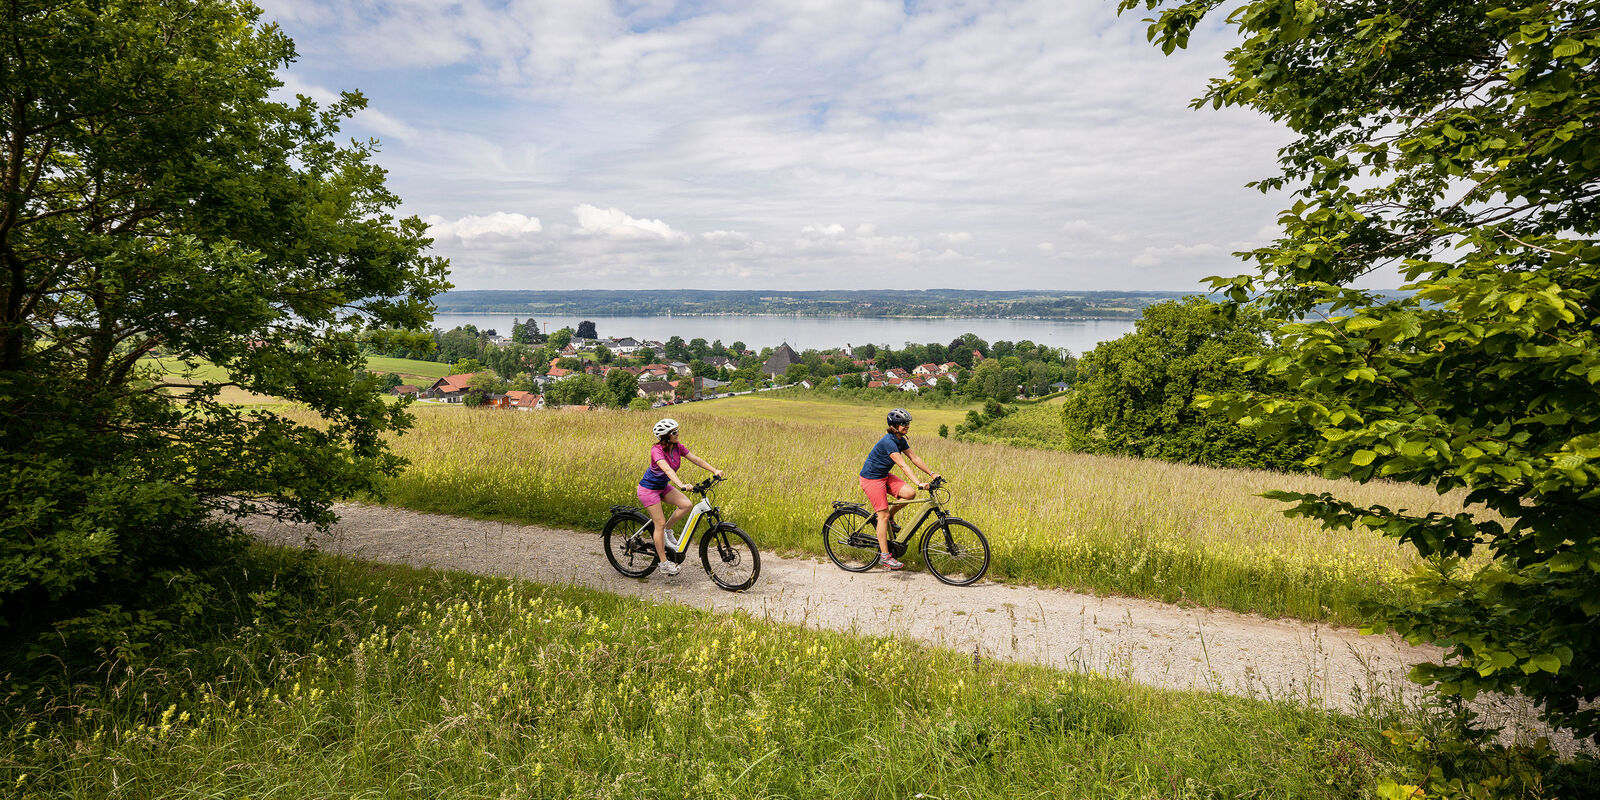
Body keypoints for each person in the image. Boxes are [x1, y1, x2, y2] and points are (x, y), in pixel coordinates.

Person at [638, 417, 722, 576]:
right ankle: (663, 563)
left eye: (677, 431)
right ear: (665, 436)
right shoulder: (656, 450)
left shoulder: (677, 447)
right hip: (648, 490)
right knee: (659, 524)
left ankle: (668, 531)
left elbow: (695, 459)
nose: (678, 434)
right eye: (674, 432)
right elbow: (667, 470)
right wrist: (681, 484)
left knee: (686, 505)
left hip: (662, 487)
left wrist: (714, 470)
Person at [858, 408, 940, 570]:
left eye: (908, 423)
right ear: (894, 425)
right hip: (871, 479)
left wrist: (931, 474)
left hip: (883, 475)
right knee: (882, 515)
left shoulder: (900, 439)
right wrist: (919, 482)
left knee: (909, 493)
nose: (907, 426)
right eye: (903, 424)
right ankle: (885, 556)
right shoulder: (889, 441)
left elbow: (914, 458)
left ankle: (890, 518)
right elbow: (902, 465)